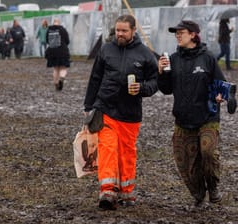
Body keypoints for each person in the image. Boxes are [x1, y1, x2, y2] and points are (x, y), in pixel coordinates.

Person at [83, 15, 158, 210]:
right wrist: (88, 106)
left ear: (134, 30)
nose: (120, 34)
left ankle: (127, 192)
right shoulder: (106, 49)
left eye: (124, 30)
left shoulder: (145, 54)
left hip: (130, 113)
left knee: (127, 153)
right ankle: (107, 191)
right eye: (117, 30)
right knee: (108, 149)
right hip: (105, 108)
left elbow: (154, 81)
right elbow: (95, 78)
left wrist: (142, 88)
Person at [157, 20, 233, 207]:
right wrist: (161, 72)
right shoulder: (173, 59)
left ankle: (213, 187)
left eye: (181, 32)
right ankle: (200, 193)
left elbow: (222, 85)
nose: (177, 35)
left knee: (208, 152)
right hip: (183, 119)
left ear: (193, 35)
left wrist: (220, 95)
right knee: (187, 164)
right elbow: (166, 90)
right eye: (176, 33)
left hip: (207, 117)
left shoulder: (208, 58)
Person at [45, 18, 70, 91]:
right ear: (59, 23)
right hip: (62, 51)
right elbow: (67, 41)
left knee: (55, 68)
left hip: (52, 52)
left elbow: (47, 41)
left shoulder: (48, 30)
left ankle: (56, 84)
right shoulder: (62, 30)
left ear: (53, 23)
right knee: (63, 68)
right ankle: (61, 78)